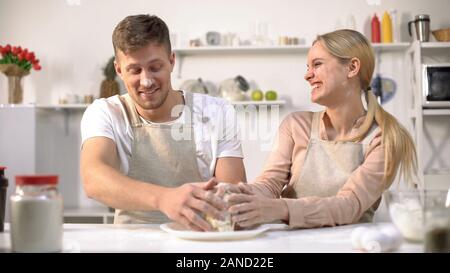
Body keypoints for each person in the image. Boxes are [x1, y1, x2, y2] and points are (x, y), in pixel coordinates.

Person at [223, 29, 417, 229]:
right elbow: (269, 184)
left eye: (317, 64)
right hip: (289, 245)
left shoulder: (384, 138)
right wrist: (239, 195)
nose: (307, 75)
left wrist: (279, 208)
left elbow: (349, 205)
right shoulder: (296, 125)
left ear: (352, 67)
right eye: (308, 67)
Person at [80, 14, 246, 231]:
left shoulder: (217, 111)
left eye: (155, 67)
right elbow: (94, 179)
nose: (146, 80)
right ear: (119, 70)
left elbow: (232, 194)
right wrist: (164, 199)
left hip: (198, 241)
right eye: (135, 70)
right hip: (131, 242)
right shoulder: (105, 112)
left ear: (171, 61)